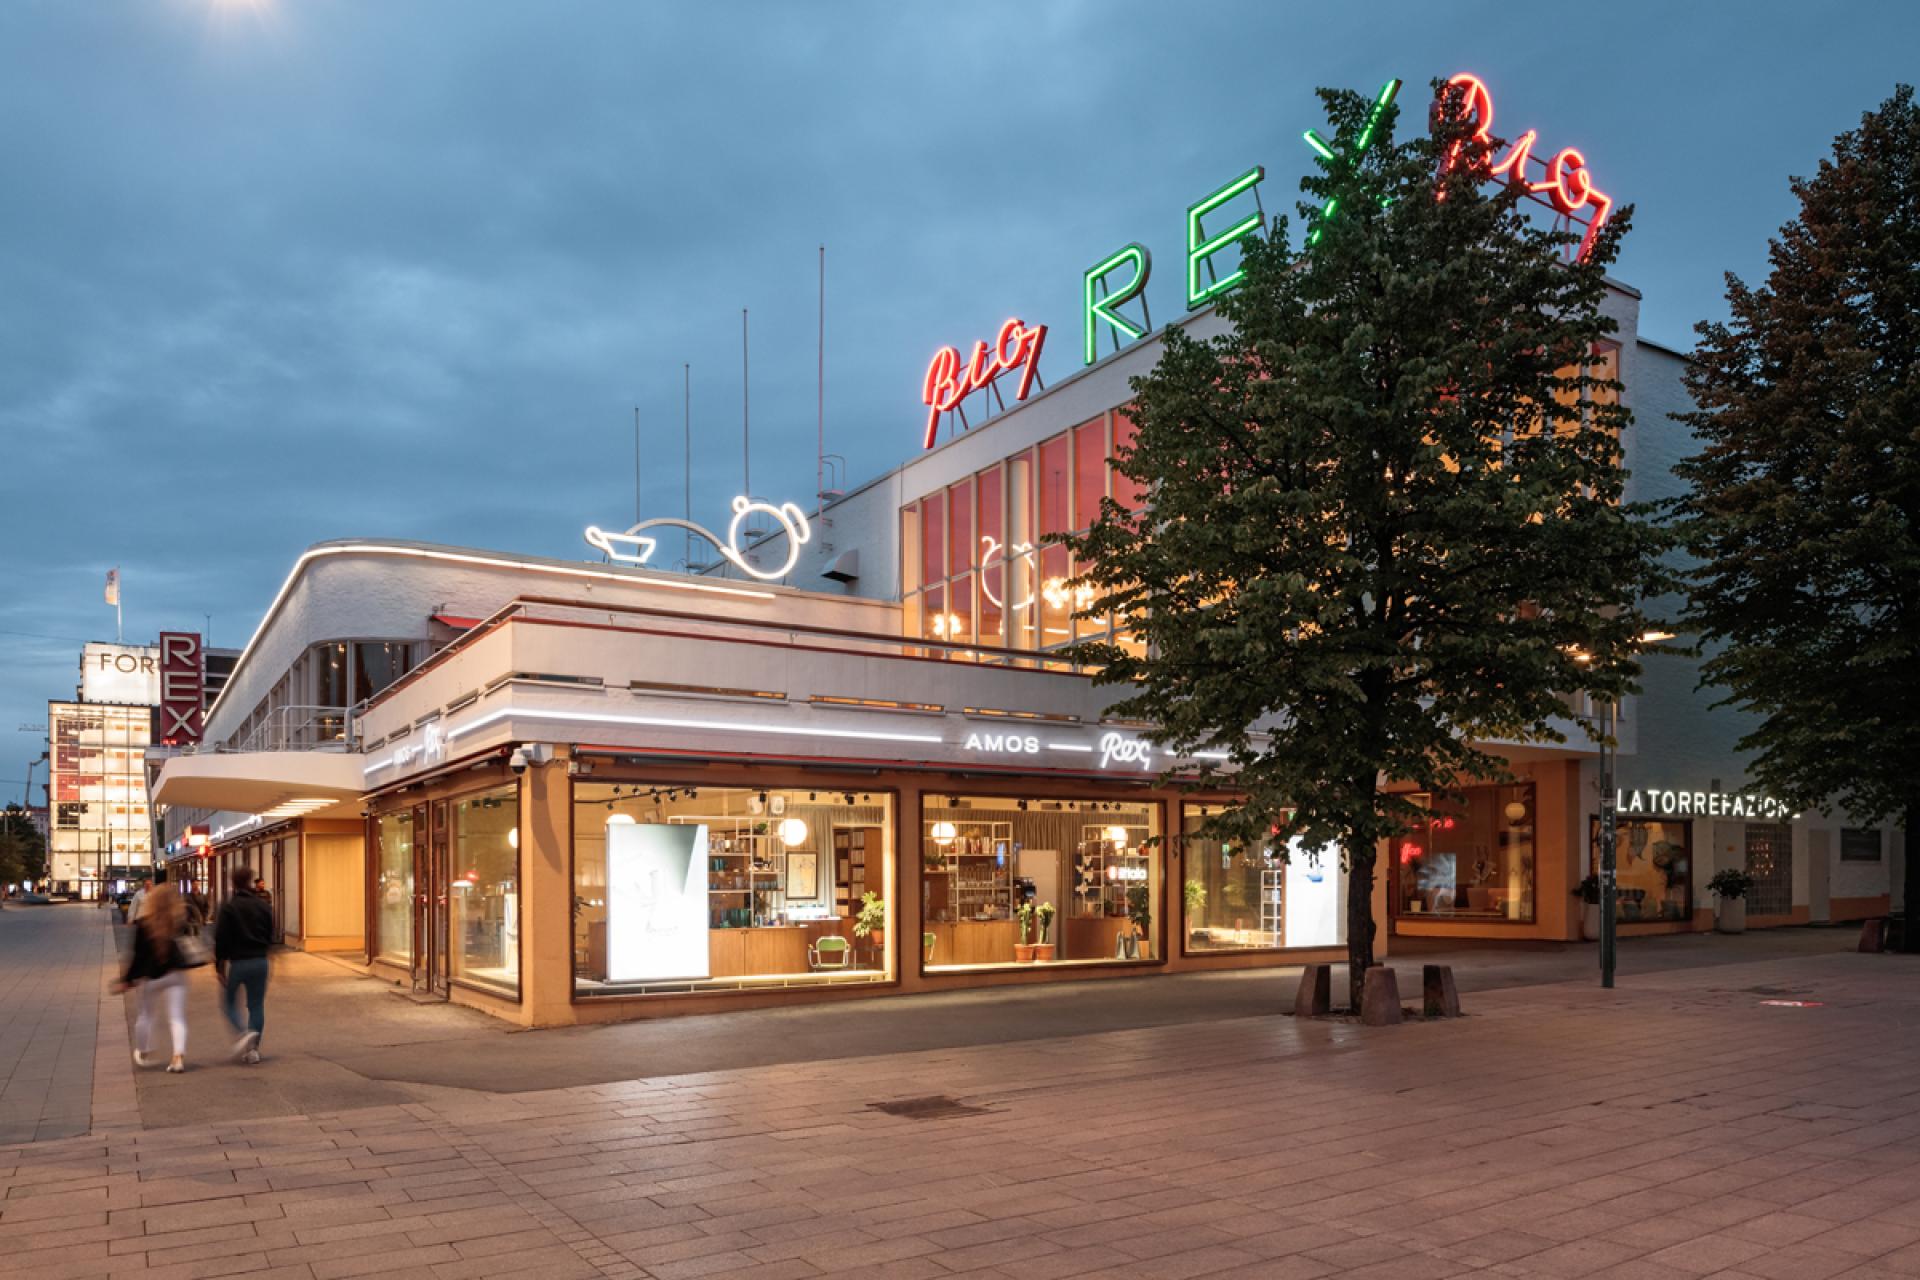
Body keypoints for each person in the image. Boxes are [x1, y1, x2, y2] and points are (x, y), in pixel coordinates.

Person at [113, 868, 190, 1073]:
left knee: (146, 1015)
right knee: (176, 1016)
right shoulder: (177, 920)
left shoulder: (143, 924)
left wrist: (127, 980)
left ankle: (143, 1050)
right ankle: (177, 1057)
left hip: (150, 976)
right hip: (175, 973)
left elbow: (137, 955)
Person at [214, 865, 273, 1064]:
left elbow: (221, 938)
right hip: (260, 960)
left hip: (238, 962)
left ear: (233, 882)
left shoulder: (229, 907)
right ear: (250, 881)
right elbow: (270, 933)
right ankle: (253, 1049)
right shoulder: (263, 905)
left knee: (229, 1002)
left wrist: (219, 966)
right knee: (256, 1005)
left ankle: (243, 1032)